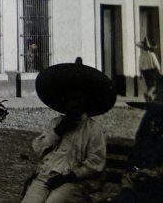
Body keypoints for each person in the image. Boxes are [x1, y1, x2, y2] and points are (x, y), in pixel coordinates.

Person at [21, 58, 116, 203]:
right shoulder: (56, 123)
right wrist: (58, 131)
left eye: (79, 99)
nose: (74, 104)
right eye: (71, 99)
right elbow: (38, 149)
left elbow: (95, 163)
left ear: (86, 102)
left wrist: (67, 177)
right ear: (64, 101)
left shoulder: (93, 129)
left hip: (74, 181)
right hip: (46, 176)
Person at [137, 38, 161, 102]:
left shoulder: (141, 55)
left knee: (148, 84)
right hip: (152, 71)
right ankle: (147, 95)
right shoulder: (152, 55)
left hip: (144, 72)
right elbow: (156, 64)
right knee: (154, 85)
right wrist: (159, 71)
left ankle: (149, 99)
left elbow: (140, 66)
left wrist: (140, 74)